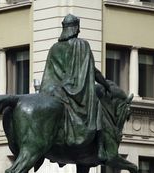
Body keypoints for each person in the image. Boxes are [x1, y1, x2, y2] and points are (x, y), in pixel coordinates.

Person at [39, 14, 111, 148]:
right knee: (97, 103)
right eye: (78, 27)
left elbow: (49, 74)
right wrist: (106, 85)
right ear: (76, 28)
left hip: (55, 90)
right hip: (75, 91)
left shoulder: (54, 47)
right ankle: (101, 148)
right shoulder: (82, 45)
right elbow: (93, 71)